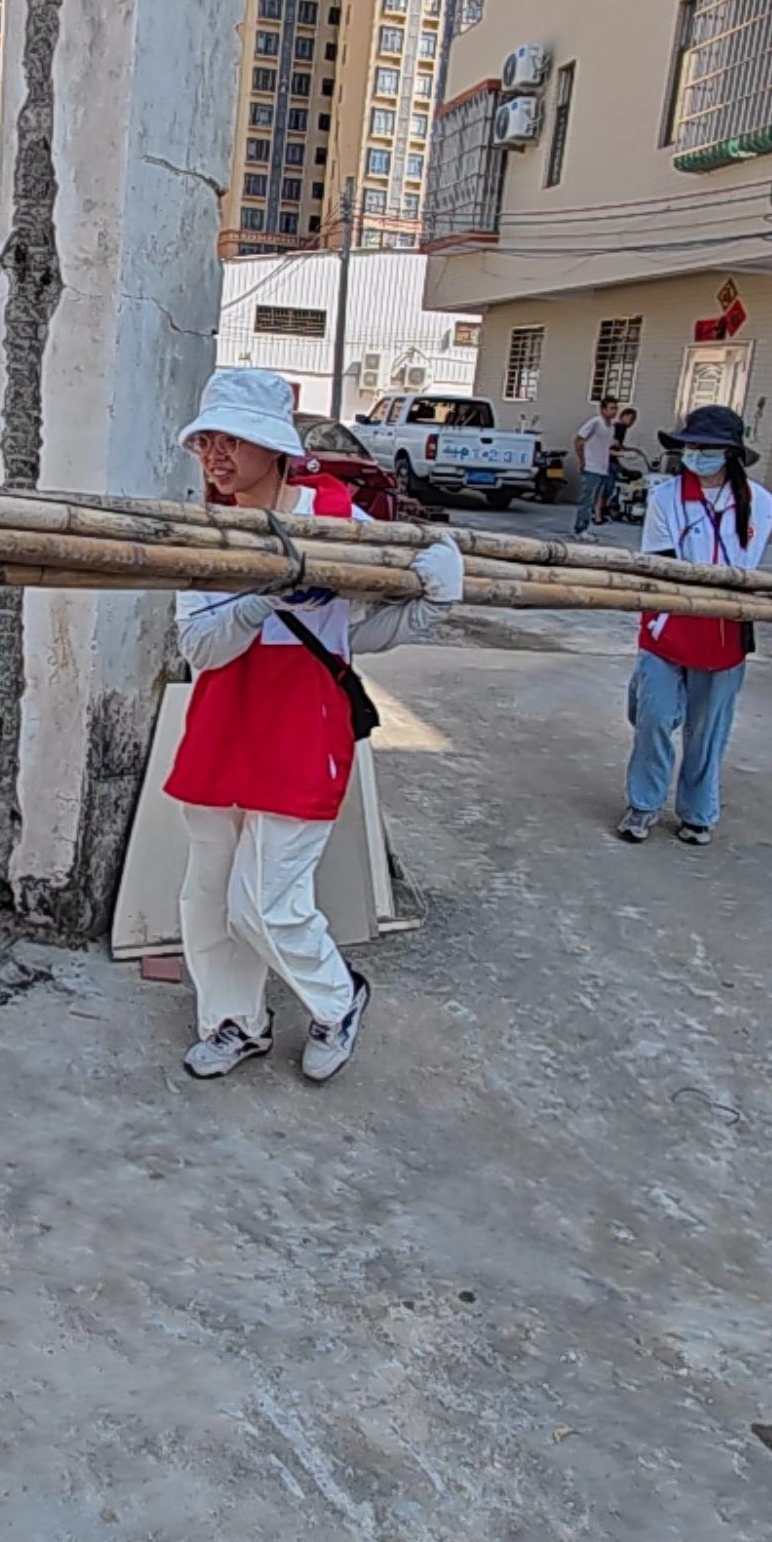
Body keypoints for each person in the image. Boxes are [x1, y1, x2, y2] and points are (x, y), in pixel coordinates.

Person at [163, 367, 460, 1081]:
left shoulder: (340, 522)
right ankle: (234, 1021)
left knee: (265, 904)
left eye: (233, 440)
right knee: (209, 896)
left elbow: (359, 632)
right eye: (205, 441)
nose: (215, 456)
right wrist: (259, 600)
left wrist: (430, 605)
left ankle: (338, 998)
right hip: (221, 726)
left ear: (276, 448)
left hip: (302, 729)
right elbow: (201, 647)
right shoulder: (200, 532)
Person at [619, 404, 772, 845]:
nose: (696, 455)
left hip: (726, 625)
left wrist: (722, 592)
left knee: (708, 728)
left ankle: (698, 811)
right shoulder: (666, 497)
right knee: (652, 715)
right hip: (669, 617)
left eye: (707, 448)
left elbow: (746, 566)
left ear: (729, 453)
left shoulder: (759, 502)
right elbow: (661, 560)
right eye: (691, 446)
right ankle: (643, 803)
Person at [569, 397, 627, 536]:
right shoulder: (595, 422)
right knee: (587, 500)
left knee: (594, 500)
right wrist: (582, 461)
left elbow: (604, 448)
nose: (614, 411)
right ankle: (580, 530)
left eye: (616, 409)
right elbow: (578, 440)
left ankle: (584, 527)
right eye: (611, 408)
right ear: (603, 409)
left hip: (602, 468)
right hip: (591, 467)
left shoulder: (610, 427)